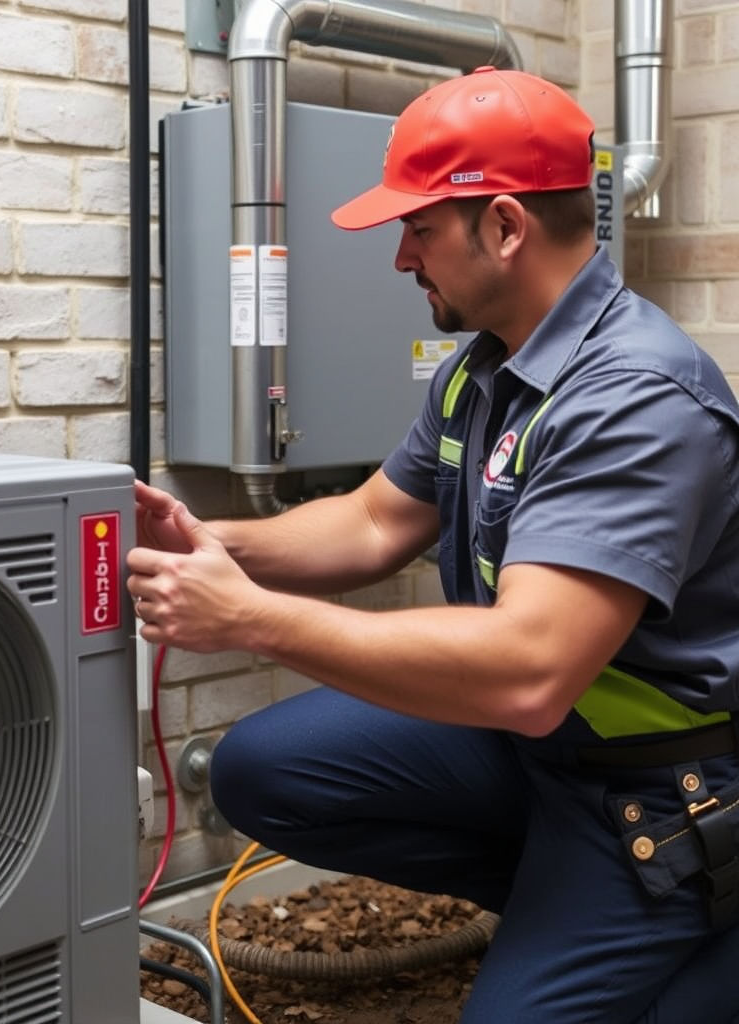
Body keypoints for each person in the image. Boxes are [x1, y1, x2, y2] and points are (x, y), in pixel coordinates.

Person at [127, 66, 739, 1022]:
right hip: (537, 748)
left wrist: (250, 620)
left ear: (503, 226)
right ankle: (563, 902)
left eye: (419, 228)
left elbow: (530, 672)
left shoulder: (637, 398)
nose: (403, 259)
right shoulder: (488, 365)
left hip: (659, 788)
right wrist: (213, 541)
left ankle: (682, 919)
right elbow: (377, 519)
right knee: (261, 772)